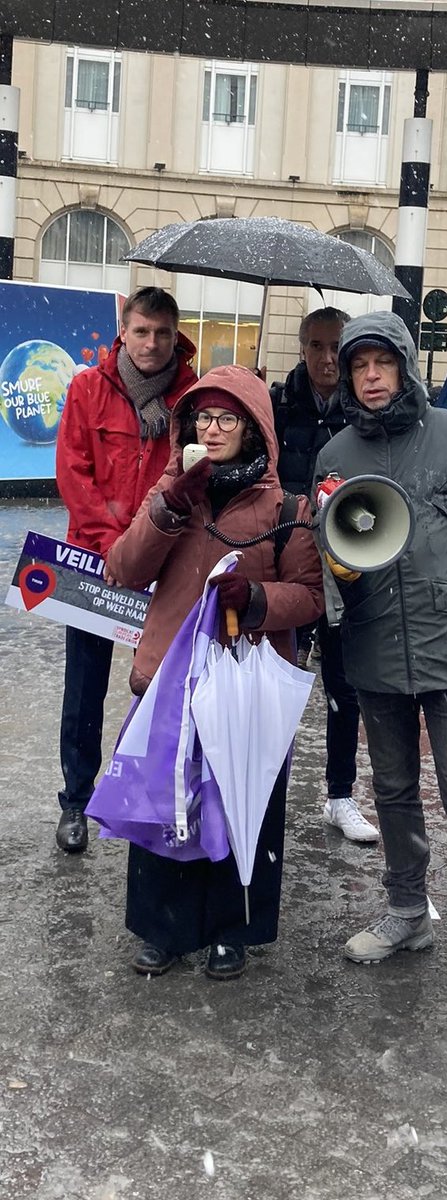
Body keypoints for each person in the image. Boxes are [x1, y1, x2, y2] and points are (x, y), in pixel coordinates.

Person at [314, 311, 447, 1026]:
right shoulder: (336, 454)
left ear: (406, 365)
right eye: (358, 366)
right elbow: (331, 548)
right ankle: (407, 910)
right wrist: (336, 570)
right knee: (396, 789)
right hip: (376, 644)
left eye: (383, 362)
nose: (371, 376)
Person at [103, 365, 324, 979]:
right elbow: (124, 567)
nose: (214, 427)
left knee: (240, 805)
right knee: (167, 806)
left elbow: (309, 595)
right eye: (204, 416)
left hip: (244, 684)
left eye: (228, 417)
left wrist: (256, 601)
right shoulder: (169, 492)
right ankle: (164, 927)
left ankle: (234, 926)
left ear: (254, 430)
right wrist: (172, 505)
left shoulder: (286, 505)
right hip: (169, 680)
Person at [54, 287, 198, 854]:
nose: (152, 344)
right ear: (123, 331)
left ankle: (154, 803)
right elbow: (73, 474)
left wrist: (148, 551)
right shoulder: (88, 388)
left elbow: (192, 480)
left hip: (166, 566)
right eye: (142, 331)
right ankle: (74, 801)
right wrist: (117, 548)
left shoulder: (192, 395)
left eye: (163, 333)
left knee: (164, 689)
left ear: (175, 335)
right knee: (84, 689)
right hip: (94, 563)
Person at [270, 306, 378, 844]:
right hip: (288, 562)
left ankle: (340, 794)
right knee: (272, 678)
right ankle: (263, 786)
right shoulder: (277, 405)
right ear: (303, 348)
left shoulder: (364, 414)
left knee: (343, 685)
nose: (327, 358)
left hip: (344, 567)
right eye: (316, 346)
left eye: (337, 346)